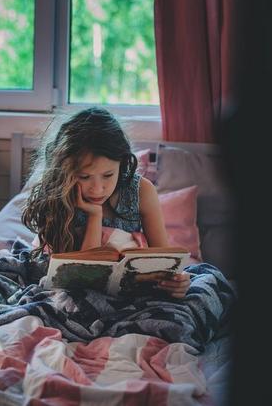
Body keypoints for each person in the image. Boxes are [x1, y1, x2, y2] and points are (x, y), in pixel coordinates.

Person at [21, 107, 190, 298]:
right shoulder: (57, 197)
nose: (97, 189)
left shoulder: (140, 191)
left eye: (108, 175)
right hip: (77, 292)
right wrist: (94, 215)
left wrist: (177, 282)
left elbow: (164, 260)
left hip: (132, 292)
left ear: (122, 163)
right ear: (64, 172)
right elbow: (83, 275)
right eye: (84, 177)